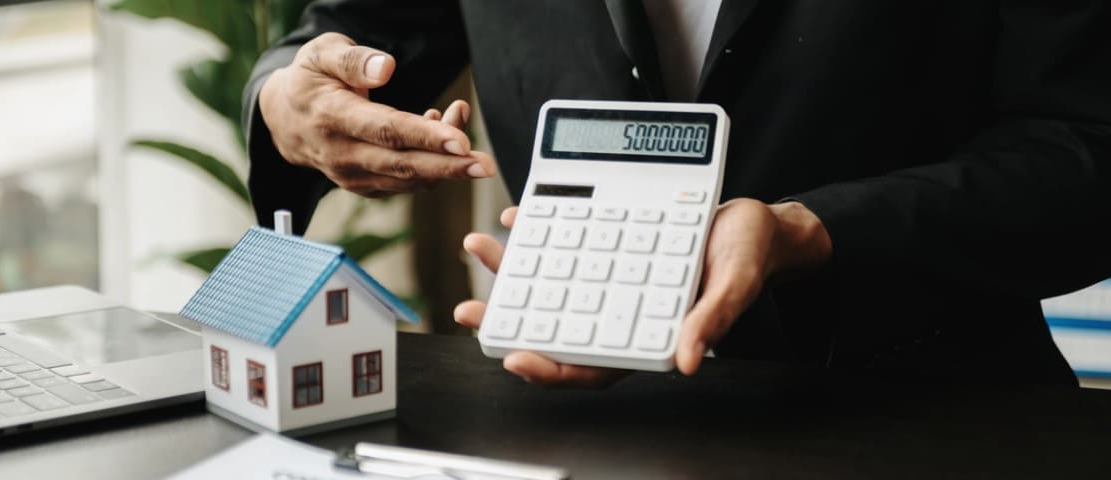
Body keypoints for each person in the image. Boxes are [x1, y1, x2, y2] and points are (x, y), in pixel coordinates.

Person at [243, 0, 1111, 388]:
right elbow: (359, 31)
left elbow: (1086, 147)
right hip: (565, 429)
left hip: (929, 416)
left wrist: (812, 230)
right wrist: (287, 94)